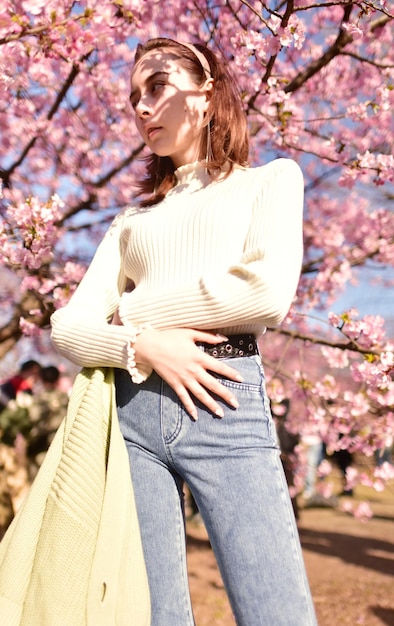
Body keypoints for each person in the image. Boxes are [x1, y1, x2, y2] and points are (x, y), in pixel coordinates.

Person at [51, 37, 317, 625]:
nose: (142, 108)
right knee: (153, 615)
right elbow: (67, 326)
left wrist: (133, 312)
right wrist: (136, 342)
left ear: (206, 90)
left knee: (276, 611)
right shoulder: (131, 222)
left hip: (225, 398)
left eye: (157, 87)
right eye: (132, 98)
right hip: (134, 416)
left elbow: (266, 293)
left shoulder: (270, 180)